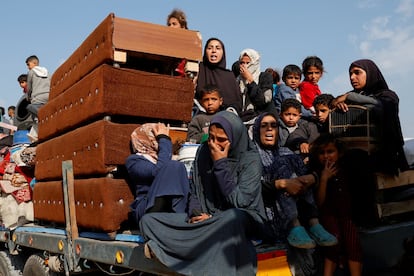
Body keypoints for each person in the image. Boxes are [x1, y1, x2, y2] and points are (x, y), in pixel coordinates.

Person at [139, 111, 267, 275]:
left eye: (221, 140)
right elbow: (195, 189)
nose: (214, 144)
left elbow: (240, 202)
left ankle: (179, 250)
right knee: (149, 221)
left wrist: (220, 164)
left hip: (241, 218)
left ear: (235, 138)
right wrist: (196, 213)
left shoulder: (251, 160)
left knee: (232, 218)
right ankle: (199, 242)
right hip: (208, 220)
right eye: (211, 138)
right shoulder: (204, 152)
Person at [252, 112, 337, 275]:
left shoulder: (285, 151)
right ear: (257, 130)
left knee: (290, 159)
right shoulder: (252, 157)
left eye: (274, 125)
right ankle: (295, 224)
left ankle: (312, 223)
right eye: (264, 126)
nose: (269, 129)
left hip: (301, 209)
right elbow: (252, 188)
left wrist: (311, 177)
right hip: (271, 215)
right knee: (283, 163)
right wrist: (282, 184)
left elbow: (306, 174)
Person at [331, 59, 408, 175]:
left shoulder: (388, 95)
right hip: (351, 160)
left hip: (381, 159)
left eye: (357, 72)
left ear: (370, 73)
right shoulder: (349, 97)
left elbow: (379, 106)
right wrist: (339, 105)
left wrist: (350, 97)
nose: (352, 77)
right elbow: (331, 105)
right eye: (350, 74)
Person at [309, 134, 363, 276]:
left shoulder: (346, 169)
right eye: (322, 153)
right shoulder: (316, 173)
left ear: (339, 153)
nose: (326, 156)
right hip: (328, 215)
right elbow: (319, 203)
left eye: (330, 151)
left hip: (346, 215)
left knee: (353, 244)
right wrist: (324, 179)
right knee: (333, 242)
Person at [125, 123, 190, 224]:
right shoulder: (134, 161)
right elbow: (160, 171)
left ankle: (181, 219)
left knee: (178, 167)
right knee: (173, 166)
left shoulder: (168, 157)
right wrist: (164, 139)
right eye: (156, 138)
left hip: (170, 208)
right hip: (147, 208)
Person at [195, 38, 242, 115]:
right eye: (210, 48)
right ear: (205, 51)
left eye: (218, 48)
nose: (213, 51)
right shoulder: (198, 70)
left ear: (223, 53)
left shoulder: (229, 76)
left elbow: (237, 103)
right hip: (200, 115)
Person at [237, 48, 276, 124]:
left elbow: (263, 101)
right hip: (241, 121)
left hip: (261, 121)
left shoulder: (265, 77)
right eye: (242, 63)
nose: (245, 66)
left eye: (248, 63)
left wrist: (250, 80)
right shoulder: (237, 80)